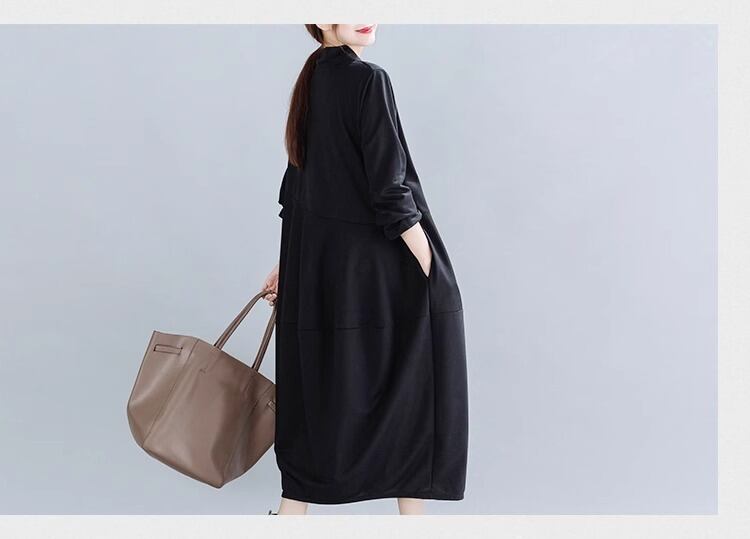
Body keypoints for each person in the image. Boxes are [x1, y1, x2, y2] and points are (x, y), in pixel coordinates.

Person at [261, 24, 468, 515]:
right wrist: (431, 266)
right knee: (413, 395)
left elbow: (298, 187)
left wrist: (287, 264)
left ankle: (290, 516)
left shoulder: (311, 80)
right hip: (377, 275)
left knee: (316, 399)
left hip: (318, 273)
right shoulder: (367, 79)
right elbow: (389, 189)